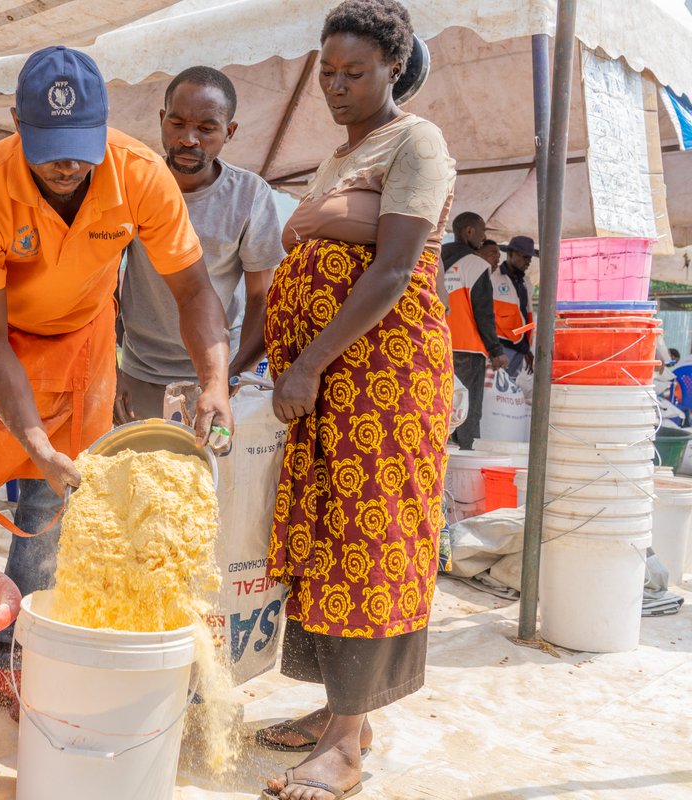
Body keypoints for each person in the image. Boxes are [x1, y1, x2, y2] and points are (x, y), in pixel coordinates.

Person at [0, 45, 233, 718]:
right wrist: (29, 437)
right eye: (49, 147)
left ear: (106, 125)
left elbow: (194, 291)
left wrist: (215, 380)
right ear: (17, 122)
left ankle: (17, 661)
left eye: (81, 146)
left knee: (51, 511)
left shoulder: (139, 175)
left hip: (79, 347)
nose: (67, 164)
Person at [253, 1, 456, 798]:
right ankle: (342, 710)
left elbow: (393, 270)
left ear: (394, 70)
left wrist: (305, 368)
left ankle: (343, 747)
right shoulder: (336, 157)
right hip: (327, 383)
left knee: (371, 541)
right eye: (328, 74)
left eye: (356, 73)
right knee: (319, 535)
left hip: (384, 383)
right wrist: (232, 367)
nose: (336, 87)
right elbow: (293, 279)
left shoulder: (417, 140)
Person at [115, 67, 284, 420]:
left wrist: (227, 376)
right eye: (177, 124)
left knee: (212, 474)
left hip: (219, 371)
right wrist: (110, 368)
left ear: (229, 132)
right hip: (140, 373)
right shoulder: (133, 184)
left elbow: (262, 297)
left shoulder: (250, 195)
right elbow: (102, 281)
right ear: (162, 120)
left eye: (207, 128)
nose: (189, 139)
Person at [443, 211, 507, 449]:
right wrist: (495, 349)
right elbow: (484, 313)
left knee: (443, 405)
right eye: (482, 232)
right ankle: (465, 459)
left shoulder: (437, 259)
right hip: (467, 350)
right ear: (468, 231)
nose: (484, 237)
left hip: (439, 344)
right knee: (468, 410)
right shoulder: (477, 265)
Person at [492, 235, 537, 376]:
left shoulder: (526, 282)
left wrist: (526, 349)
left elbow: (525, 318)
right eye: (525, 257)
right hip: (501, 347)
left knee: (510, 390)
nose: (528, 262)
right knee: (497, 391)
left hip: (520, 347)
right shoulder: (493, 278)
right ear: (511, 254)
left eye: (530, 258)